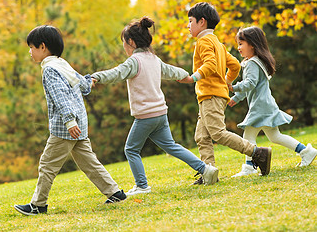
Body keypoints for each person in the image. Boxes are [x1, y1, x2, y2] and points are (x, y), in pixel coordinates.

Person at [91, 16, 219, 196]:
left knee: (131, 149)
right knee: (171, 146)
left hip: (145, 116)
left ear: (130, 42)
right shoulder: (153, 59)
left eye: (123, 43)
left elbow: (116, 73)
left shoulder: (134, 62)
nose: (123, 47)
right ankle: (206, 169)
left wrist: (96, 76)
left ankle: (142, 186)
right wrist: (185, 75)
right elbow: (173, 71)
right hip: (160, 114)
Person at [14, 25, 126, 216]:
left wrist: (68, 121)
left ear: (42, 47)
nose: (29, 52)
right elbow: (84, 85)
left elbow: (60, 97)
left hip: (66, 128)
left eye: (31, 47)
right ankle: (115, 193)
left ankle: (38, 205)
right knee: (88, 162)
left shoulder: (49, 69)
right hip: (79, 123)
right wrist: (91, 80)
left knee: (47, 165)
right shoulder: (62, 64)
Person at [178, 2, 272, 184]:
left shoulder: (203, 41)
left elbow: (210, 64)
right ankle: (209, 173)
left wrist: (193, 78)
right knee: (202, 136)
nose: (188, 26)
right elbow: (235, 65)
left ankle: (257, 153)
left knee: (217, 133)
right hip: (213, 95)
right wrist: (227, 81)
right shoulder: (217, 43)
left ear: (202, 22)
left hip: (210, 95)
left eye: (190, 21)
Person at [228, 26, 317, 176]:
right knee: (275, 136)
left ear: (252, 44)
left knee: (248, 136)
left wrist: (233, 87)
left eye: (241, 44)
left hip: (260, 107)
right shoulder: (255, 61)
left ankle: (249, 167)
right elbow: (251, 87)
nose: (238, 48)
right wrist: (236, 98)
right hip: (265, 105)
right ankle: (305, 151)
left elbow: (250, 84)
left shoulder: (251, 63)